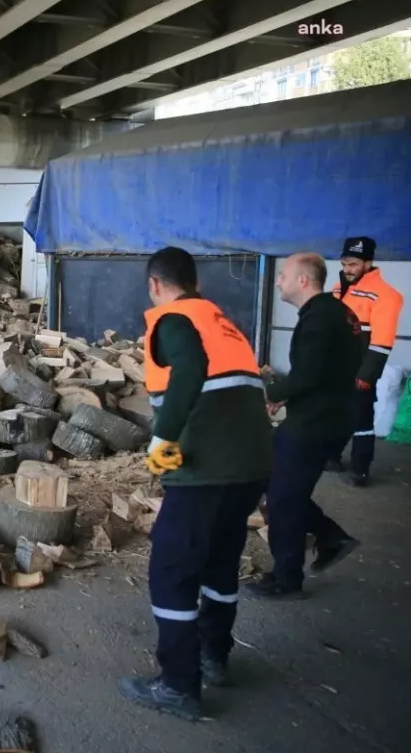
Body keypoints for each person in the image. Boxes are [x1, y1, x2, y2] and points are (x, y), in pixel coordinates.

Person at [118, 246, 272, 722]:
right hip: (253, 463)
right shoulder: (221, 320)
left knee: (171, 568)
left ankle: (178, 684)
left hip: (205, 466)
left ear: (155, 286)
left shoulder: (172, 320)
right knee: (221, 562)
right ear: (197, 282)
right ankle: (213, 655)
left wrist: (161, 437)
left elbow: (191, 369)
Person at [249, 254, 363, 599]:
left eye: (283, 275)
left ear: (303, 280)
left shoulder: (319, 318)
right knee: (275, 480)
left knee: (283, 499)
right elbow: (322, 369)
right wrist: (289, 394)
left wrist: (272, 391)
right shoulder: (337, 312)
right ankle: (330, 536)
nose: (278, 281)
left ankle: (287, 579)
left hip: (315, 422)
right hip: (331, 415)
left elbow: (308, 375)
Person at [329, 236, 404, 486]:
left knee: (361, 418)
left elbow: (381, 342)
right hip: (336, 367)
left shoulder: (386, 296)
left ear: (368, 262)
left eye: (353, 264)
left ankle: (360, 469)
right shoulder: (338, 290)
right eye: (344, 263)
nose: (347, 269)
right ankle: (333, 457)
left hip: (360, 369)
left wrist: (366, 375)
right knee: (337, 413)